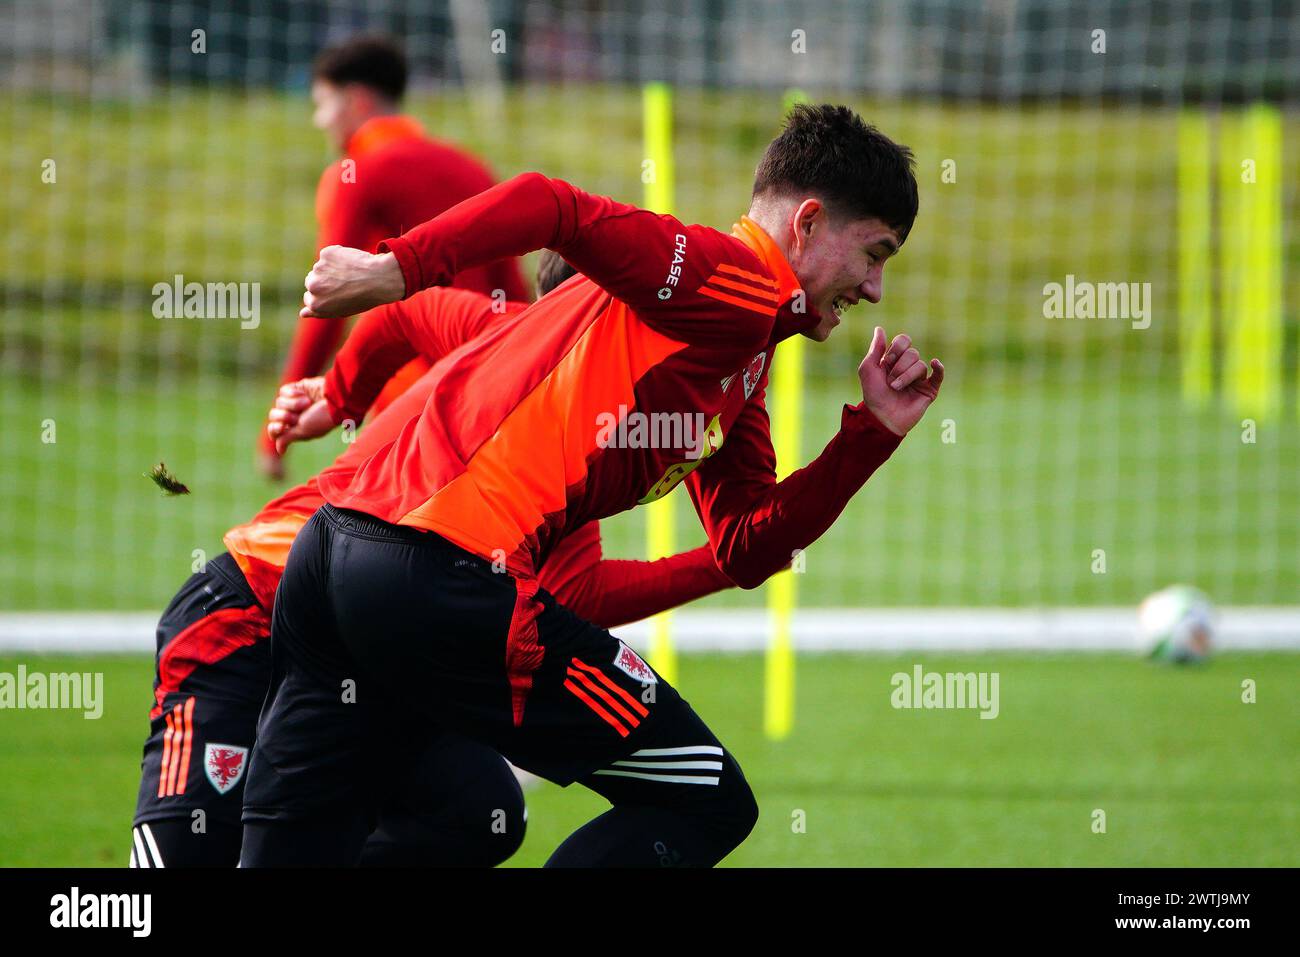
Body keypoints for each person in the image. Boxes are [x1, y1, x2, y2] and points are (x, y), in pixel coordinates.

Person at [241, 104, 944, 867]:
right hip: (446, 578)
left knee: (412, 828)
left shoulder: (745, 348)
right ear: (807, 223)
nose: (874, 288)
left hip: (333, 559)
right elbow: (554, 205)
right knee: (707, 799)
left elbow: (744, 546)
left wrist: (871, 434)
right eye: (875, 253)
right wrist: (394, 267)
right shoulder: (732, 278)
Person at [132, 253, 731, 867]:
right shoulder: (554, 395)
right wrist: (723, 564)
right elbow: (581, 596)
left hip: (371, 650)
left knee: (477, 815)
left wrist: (341, 397)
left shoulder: (556, 389)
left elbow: (406, 313)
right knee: (187, 855)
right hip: (250, 607)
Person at [257, 33, 529, 478]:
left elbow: (325, 301)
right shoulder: (470, 166)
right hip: (491, 385)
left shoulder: (356, 174)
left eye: (323, 104)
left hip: (411, 392)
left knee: (363, 525)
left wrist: (274, 427)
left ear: (357, 101)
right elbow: (511, 287)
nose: (318, 120)